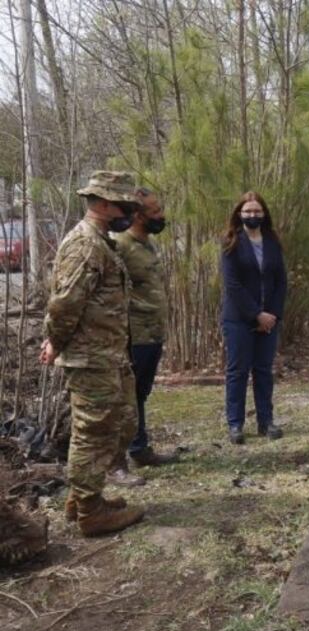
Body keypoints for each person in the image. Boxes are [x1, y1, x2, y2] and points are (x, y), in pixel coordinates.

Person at [41, 170, 146, 536]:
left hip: (107, 355)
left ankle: (82, 498)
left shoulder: (101, 241)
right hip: (90, 357)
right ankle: (91, 512)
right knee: (92, 432)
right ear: (103, 204)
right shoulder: (85, 244)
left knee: (115, 425)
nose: (130, 212)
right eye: (124, 205)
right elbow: (65, 303)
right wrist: (55, 340)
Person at [112, 187, 179, 469]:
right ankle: (119, 459)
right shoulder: (120, 246)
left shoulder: (147, 243)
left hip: (153, 332)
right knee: (127, 394)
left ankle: (139, 449)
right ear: (137, 215)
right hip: (134, 334)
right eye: (154, 211)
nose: (161, 216)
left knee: (141, 392)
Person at [220, 191, 288, 445]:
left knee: (263, 371)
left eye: (257, 211)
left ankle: (266, 421)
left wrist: (272, 314)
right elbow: (232, 285)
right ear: (239, 214)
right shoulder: (231, 242)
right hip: (238, 318)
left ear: (264, 213)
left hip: (269, 319)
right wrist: (255, 314)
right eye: (248, 211)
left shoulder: (272, 241)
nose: (252, 215)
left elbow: (280, 281)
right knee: (237, 371)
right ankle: (235, 424)